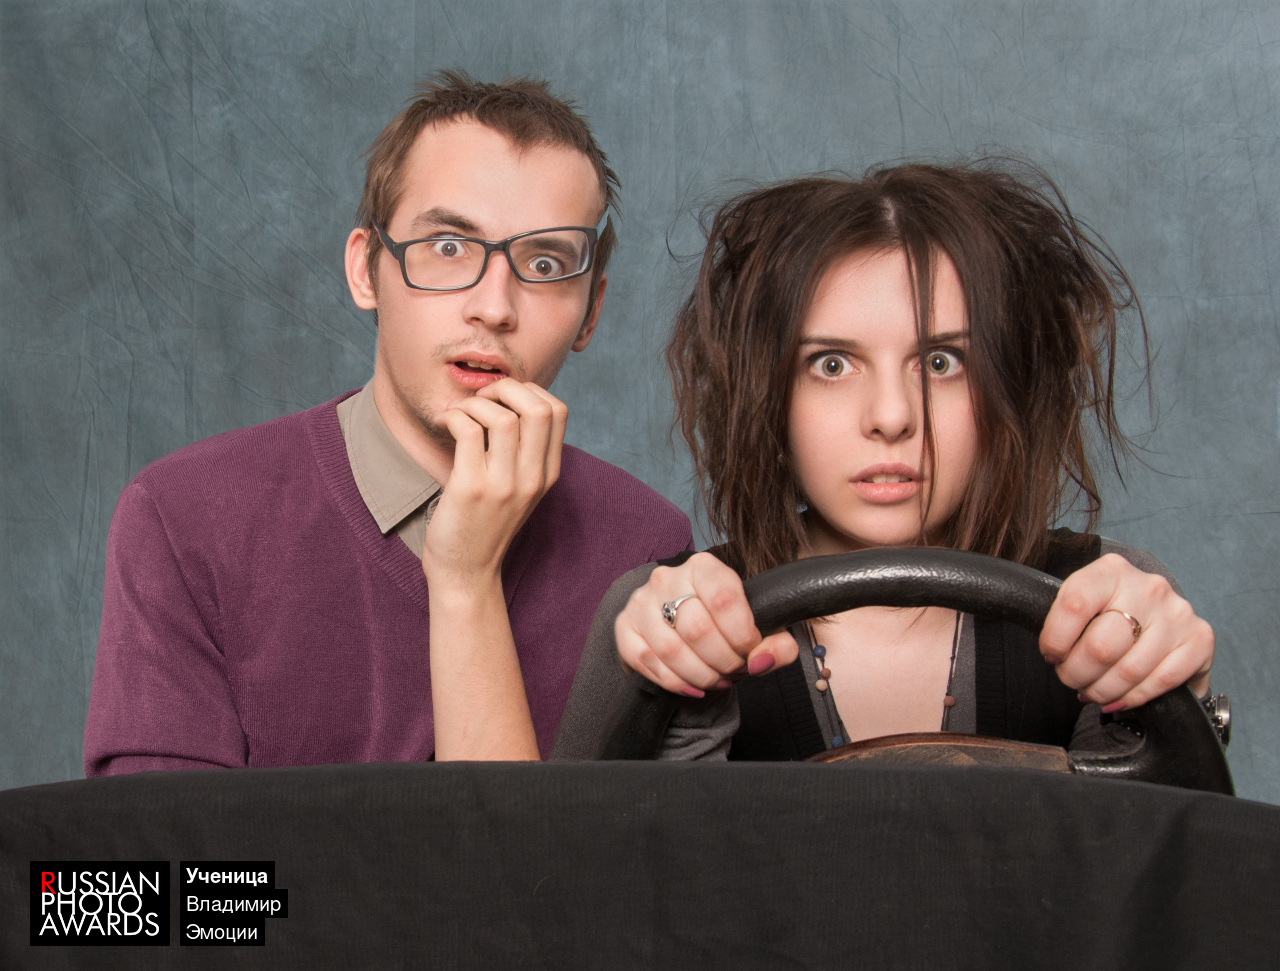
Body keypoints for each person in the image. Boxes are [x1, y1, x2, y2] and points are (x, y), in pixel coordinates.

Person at [83, 72, 691, 773]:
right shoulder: (183, 517)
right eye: (449, 247)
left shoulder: (646, 549)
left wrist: (468, 580)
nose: (494, 307)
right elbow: (148, 846)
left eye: (545, 262)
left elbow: (639, 845)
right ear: (366, 271)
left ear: (590, 312)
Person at [553, 161, 1215, 761]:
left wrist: (1156, 701)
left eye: (941, 362)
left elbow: (1161, 850)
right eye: (831, 365)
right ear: (768, 397)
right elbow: (590, 852)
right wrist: (673, 697)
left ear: (1004, 388)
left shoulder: (1112, 604)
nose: (892, 417)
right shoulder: (661, 617)